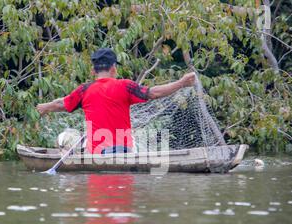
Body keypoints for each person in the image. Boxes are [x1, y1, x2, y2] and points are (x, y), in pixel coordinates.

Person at [36, 48, 196, 154]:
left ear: (93, 71)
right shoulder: (125, 86)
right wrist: (181, 83)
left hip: (98, 154)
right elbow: (153, 93)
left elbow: (60, 104)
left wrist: (44, 107)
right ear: (114, 68)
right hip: (123, 151)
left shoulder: (84, 90)